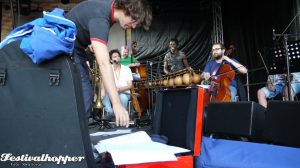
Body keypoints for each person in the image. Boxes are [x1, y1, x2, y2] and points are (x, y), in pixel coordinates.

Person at [66, 0, 152, 127]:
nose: (134, 26)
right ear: (126, 9)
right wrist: (116, 103)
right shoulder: (101, 17)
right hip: (68, 50)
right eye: (134, 20)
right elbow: (104, 64)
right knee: (84, 98)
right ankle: (72, 141)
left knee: (85, 95)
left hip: (76, 50)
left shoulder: (107, 8)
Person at [102, 49, 133, 120]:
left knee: (123, 97)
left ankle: (121, 116)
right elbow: (104, 82)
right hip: (112, 92)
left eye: (118, 56)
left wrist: (120, 89)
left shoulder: (127, 69)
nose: (117, 58)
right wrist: (103, 90)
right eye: (115, 57)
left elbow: (130, 85)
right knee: (103, 94)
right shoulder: (108, 70)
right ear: (111, 60)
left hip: (124, 92)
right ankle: (111, 113)